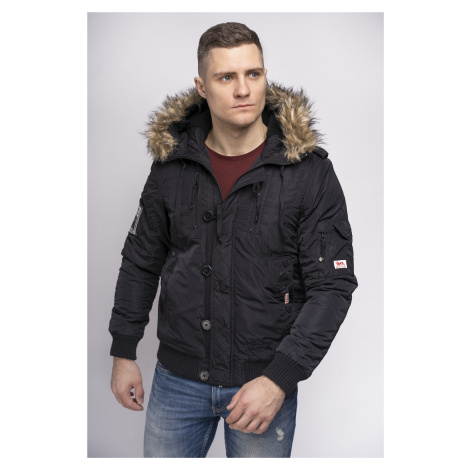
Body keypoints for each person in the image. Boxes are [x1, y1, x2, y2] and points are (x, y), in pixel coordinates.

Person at [109, 22, 358, 458]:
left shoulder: (309, 172)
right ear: (202, 87)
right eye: (226, 77)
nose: (243, 89)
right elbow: (140, 261)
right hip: (177, 381)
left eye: (253, 74)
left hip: (263, 385)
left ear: (265, 77)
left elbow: (332, 287)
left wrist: (279, 378)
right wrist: (124, 350)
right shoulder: (171, 166)